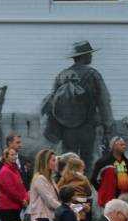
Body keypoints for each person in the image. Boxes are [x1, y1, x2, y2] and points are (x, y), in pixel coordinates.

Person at [41, 40, 113, 169]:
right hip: (88, 125)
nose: (91, 56)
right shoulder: (93, 74)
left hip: (66, 127)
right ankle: (84, 186)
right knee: (87, 158)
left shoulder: (61, 75)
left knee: (67, 158)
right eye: (89, 54)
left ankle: (67, 186)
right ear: (84, 56)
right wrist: (107, 125)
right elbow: (104, 101)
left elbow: (52, 101)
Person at [28, 149, 62, 221]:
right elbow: (51, 202)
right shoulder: (40, 179)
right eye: (53, 160)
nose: (55, 162)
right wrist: (66, 208)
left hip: (48, 220)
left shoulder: (50, 179)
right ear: (45, 162)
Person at [92, 136, 128, 205]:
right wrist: (104, 191)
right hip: (109, 200)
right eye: (121, 145)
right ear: (114, 146)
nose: (124, 147)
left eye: (125, 145)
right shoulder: (103, 162)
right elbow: (94, 180)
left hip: (125, 199)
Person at [0, 146, 29, 221]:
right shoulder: (5, 171)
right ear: (6, 157)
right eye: (12, 155)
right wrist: (22, 201)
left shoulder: (15, 170)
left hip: (17, 206)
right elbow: (11, 191)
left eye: (15, 154)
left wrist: (26, 198)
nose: (15, 156)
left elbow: (22, 187)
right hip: (8, 208)